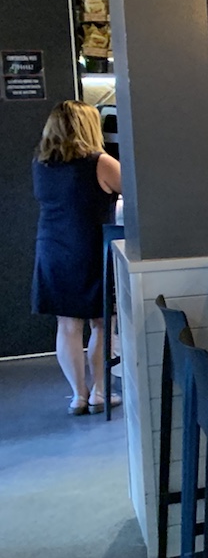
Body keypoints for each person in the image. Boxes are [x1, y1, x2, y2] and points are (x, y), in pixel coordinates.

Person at [32, 100, 121, 415]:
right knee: (101, 323)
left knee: (67, 325)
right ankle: (99, 393)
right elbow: (137, 193)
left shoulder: (41, 164)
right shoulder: (101, 162)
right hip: (88, 248)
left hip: (51, 248)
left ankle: (77, 396)